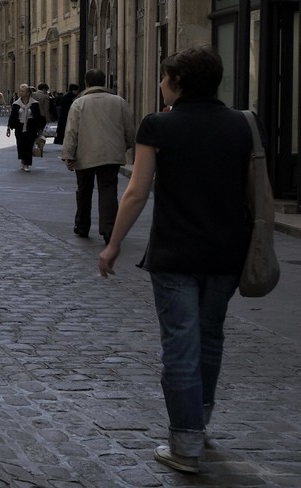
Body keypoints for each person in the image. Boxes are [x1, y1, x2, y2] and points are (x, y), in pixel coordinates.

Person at [98, 47, 255, 475]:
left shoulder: (159, 124)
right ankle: (197, 426)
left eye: (164, 77)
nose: (161, 84)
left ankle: (184, 445)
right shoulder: (243, 124)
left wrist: (113, 244)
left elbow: (136, 191)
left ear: (178, 82)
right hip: (226, 251)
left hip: (175, 252)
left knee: (180, 346)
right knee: (209, 339)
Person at [61, 69, 135, 241]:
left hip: (84, 153)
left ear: (86, 83)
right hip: (111, 153)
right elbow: (129, 128)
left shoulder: (79, 103)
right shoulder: (118, 101)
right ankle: (109, 229)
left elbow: (71, 131)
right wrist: (126, 144)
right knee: (109, 189)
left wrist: (68, 155)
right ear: (104, 83)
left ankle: (82, 225)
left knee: (84, 190)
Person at [7, 83, 44, 171]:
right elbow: (12, 116)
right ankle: (23, 160)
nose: (20, 93)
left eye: (23, 91)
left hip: (31, 126)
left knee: (29, 145)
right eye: (20, 91)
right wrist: (9, 127)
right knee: (20, 144)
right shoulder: (16, 104)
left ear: (28, 93)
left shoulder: (35, 104)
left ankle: (27, 164)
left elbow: (38, 117)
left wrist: (39, 129)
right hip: (19, 126)